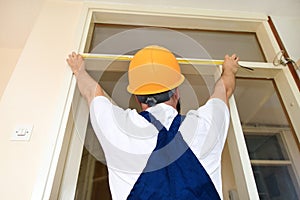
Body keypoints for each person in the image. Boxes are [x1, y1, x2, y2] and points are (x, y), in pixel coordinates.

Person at [67, 45, 239, 200]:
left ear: (137, 97)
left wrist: (78, 70)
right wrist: (229, 70)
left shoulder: (119, 128)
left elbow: (92, 92)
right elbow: (224, 89)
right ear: (176, 93)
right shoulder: (203, 127)